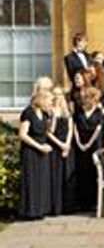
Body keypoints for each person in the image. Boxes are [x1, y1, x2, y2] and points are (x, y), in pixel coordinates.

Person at [19, 90, 53, 219]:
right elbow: (22, 135)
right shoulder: (28, 112)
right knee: (32, 181)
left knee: (41, 181)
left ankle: (39, 210)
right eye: (49, 100)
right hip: (31, 152)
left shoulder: (44, 113)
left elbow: (48, 131)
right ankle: (30, 212)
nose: (51, 102)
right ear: (42, 99)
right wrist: (39, 147)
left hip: (42, 151)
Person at [73, 87, 103, 211]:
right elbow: (74, 126)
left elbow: (98, 130)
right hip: (79, 144)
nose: (85, 99)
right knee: (81, 173)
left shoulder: (98, 112)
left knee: (92, 172)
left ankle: (92, 202)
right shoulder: (79, 111)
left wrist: (89, 144)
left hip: (93, 144)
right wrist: (79, 142)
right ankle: (81, 202)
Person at [47, 87, 74, 215]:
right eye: (54, 94)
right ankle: (56, 208)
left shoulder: (67, 111)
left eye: (59, 94)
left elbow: (70, 129)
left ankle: (67, 207)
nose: (57, 96)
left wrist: (67, 144)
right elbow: (49, 132)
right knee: (56, 177)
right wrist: (54, 117)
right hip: (55, 145)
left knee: (67, 176)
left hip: (67, 146)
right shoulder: (50, 111)